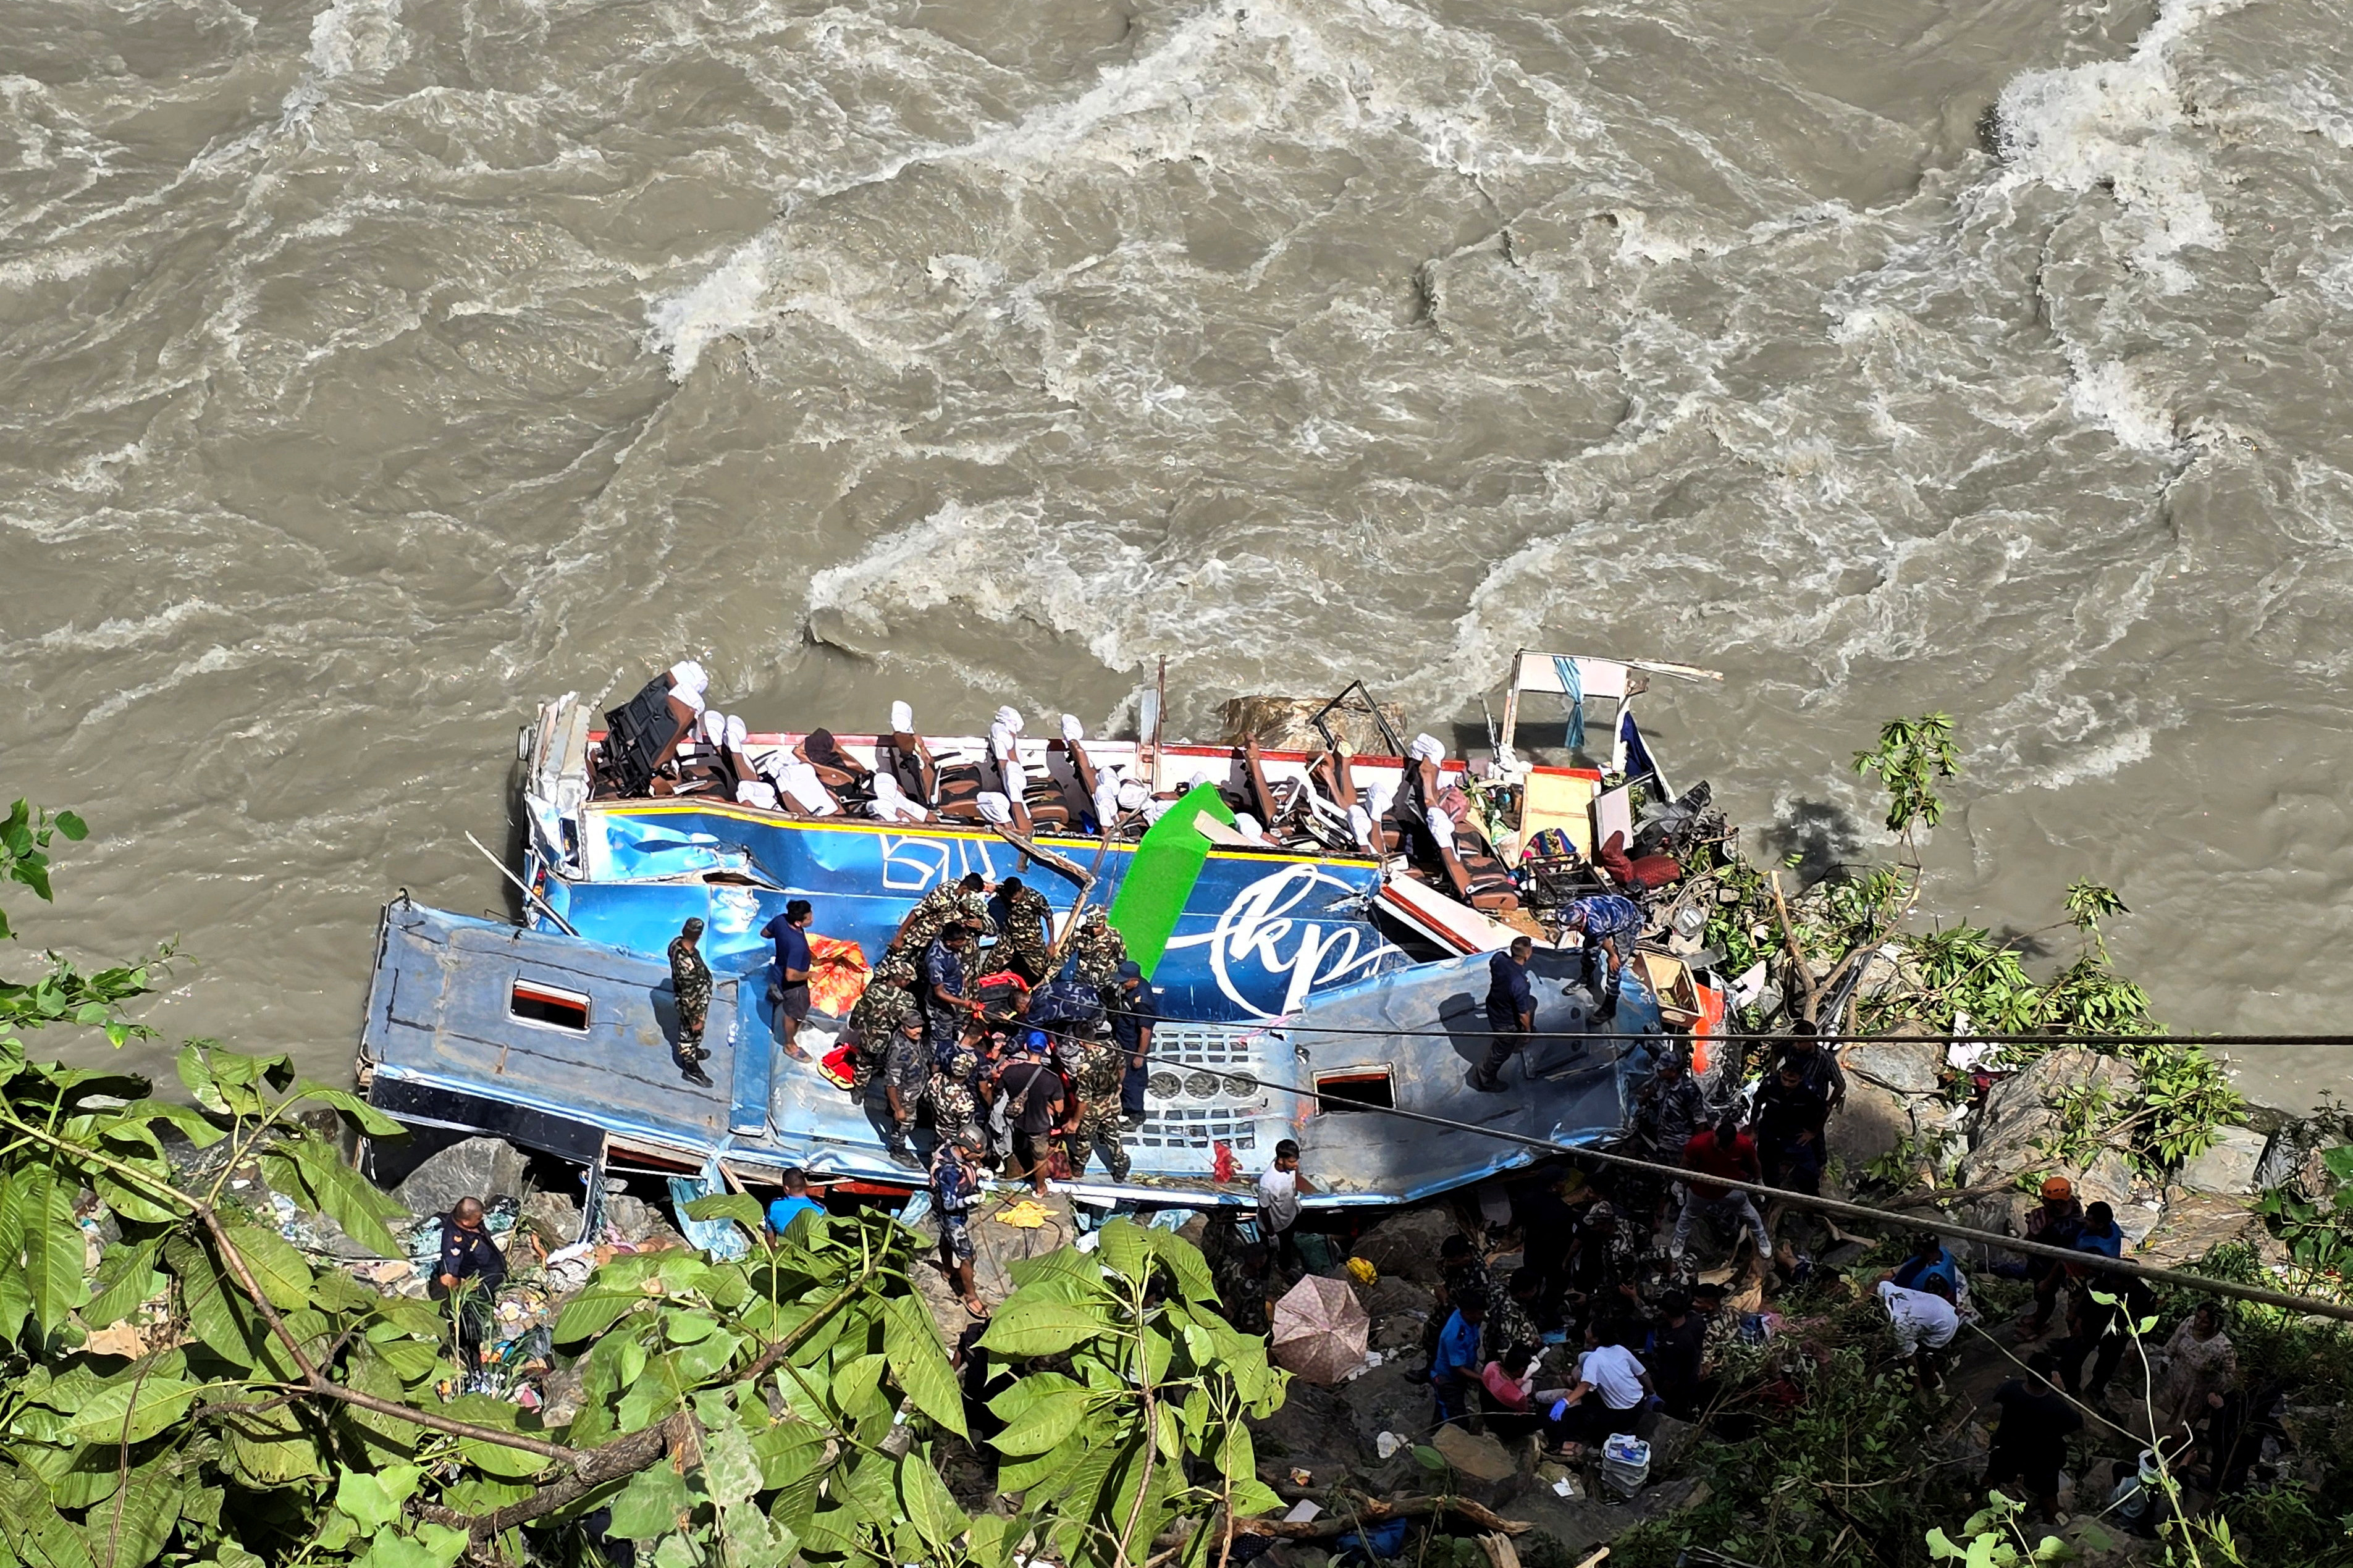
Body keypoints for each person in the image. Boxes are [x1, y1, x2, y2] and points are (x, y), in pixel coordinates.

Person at [2055, 1223, 2154, 1406]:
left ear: (2129, 1283)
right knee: (2072, 1359)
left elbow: (2147, 1322)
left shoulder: (2144, 1297)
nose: (2114, 1282)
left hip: (2118, 1335)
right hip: (2092, 1325)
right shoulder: (2106, 1281)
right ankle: (2071, 1388)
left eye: (2118, 1281)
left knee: (2106, 1366)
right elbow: (2089, 1298)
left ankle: (2096, 1389)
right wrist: (2077, 1318)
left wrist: (2137, 1346)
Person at [1984, 1351, 2082, 1522]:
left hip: (2009, 1450)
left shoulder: (2012, 1389)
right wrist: (2061, 1392)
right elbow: (2077, 1421)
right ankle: (2050, 1527)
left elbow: (1997, 1396)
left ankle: (1979, 1501)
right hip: (2043, 1458)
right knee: (2048, 1495)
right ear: (2051, 1378)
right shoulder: (2056, 1406)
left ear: (2027, 1372)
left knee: (1993, 1474)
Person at [1672, 1113, 1772, 1272]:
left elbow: (1755, 1164)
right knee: (1688, 1216)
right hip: (1701, 1189)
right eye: (1719, 1144)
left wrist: (1759, 1182)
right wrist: (1679, 1182)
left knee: (1749, 1214)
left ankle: (1762, 1237)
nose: (1720, 1148)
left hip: (1731, 1188)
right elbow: (1685, 1163)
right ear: (1715, 1135)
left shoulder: (1744, 1145)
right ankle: (1679, 1240)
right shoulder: (1698, 1143)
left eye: (1725, 1146)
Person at [1544, 1322, 1654, 1456]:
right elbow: (1643, 1374)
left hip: (1622, 1415)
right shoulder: (1620, 1350)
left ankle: (1597, 1447)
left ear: (1595, 1339)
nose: (1585, 1331)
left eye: (1588, 1331)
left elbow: (1585, 1385)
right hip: (1640, 1402)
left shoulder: (1594, 1359)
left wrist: (1565, 1402)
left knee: (1575, 1415)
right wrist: (1652, 1393)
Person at [432, 1196, 507, 1378]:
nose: (482, 1220)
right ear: (466, 1221)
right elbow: (448, 1278)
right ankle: (475, 1365)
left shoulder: (468, 1223)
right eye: (479, 1218)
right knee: (472, 1326)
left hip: (489, 1275)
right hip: (476, 1284)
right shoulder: (454, 1242)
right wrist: (464, 1286)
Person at [995, 1033, 1066, 1197]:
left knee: (1016, 1150)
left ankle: (1013, 1175)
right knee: (1040, 1158)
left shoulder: (1010, 1071)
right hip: (1039, 1125)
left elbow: (998, 1090)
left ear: (1025, 1047)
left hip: (1015, 1121)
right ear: (1045, 1050)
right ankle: (1040, 1188)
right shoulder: (1052, 1079)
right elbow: (1060, 1108)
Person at [2155, 1303, 2237, 1440]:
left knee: (2186, 1421)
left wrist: (2218, 1392)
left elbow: (2231, 1373)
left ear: (2214, 1324)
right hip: (2178, 1377)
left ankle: (2176, 1447)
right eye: (2198, 1317)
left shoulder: (2223, 1346)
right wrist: (2166, 1359)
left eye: (2205, 1321)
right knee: (2168, 1410)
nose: (2198, 1322)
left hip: (2198, 1391)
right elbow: (2175, 1341)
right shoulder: (2188, 1324)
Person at [1062, 1031, 1134, 1182]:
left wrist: (1075, 1122)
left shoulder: (1085, 1065)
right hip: (1111, 1104)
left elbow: (1084, 1100)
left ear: (1081, 1043)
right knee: (1113, 1136)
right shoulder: (1114, 1047)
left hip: (1092, 1111)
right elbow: (1122, 1069)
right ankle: (1121, 1167)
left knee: (1084, 1139)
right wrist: (1116, 1086)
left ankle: (1079, 1168)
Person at [2019, 1176, 2086, 1338]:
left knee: (2045, 1294)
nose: (2043, 1203)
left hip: (2052, 1266)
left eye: (2046, 1201)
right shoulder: (2070, 1205)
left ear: (2058, 1204)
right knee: (2040, 1292)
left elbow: (2063, 1257)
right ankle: (2038, 1316)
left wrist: (2050, 1280)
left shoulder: (2068, 1228)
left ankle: (2038, 1325)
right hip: (2041, 1259)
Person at [930, 1135, 988, 1319]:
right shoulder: (948, 1171)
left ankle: (947, 1270)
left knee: (946, 1238)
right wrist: (969, 1200)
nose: (978, 1157)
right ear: (964, 1149)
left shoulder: (952, 1151)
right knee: (968, 1257)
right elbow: (949, 1204)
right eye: (975, 1154)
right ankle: (970, 1296)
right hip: (951, 1216)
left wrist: (978, 1173)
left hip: (948, 1215)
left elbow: (966, 1168)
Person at [1753, 1058, 1830, 1196]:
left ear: (1800, 1079)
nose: (1787, 1084)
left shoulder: (1809, 1091)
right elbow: (1757, 1103)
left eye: (1792, 1081)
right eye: (1785, 1079)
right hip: (1770, 1131)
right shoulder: (1771, 1084)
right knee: (1767, 1168)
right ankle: (1770, 1196)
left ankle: (1810, 1195)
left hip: (1795, 1135)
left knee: (1810, 1172)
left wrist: (1813, 1132)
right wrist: (1752, 1128)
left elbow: (1824, 1111)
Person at [1562, 894, 1644, 1017]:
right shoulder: (1573, 909)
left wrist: (1612, 955)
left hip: (1628, 921)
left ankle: (1609, 1007)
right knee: (1590, 951)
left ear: (1577, 925)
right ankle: (1586, 978)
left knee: (1615, 966)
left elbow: (1603, 939)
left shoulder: (1595, 925)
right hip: (1611, 914)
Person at [848, 954, 920, 1092]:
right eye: (908, 980)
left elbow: (859, 1011)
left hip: (869, 1036)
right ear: (903, 980)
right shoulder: (908, 1000)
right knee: (892, 1069)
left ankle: (859, 1090)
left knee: (864, 1063)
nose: (909, 983)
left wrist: (854, 1025)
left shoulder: (873, 990)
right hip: (892, 1041)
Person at [1472, 936, 1536, 1092]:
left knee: (1531, 1003)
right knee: (1500, 1052)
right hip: (1505, 1022)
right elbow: (1522, 1015)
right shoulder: (1519, 984)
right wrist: (1526, 1033)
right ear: (1527, 955)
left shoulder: (1498, 959)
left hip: (1494, 1006)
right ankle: (1485, 1079)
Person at [760, 899, 818, 1063]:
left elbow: (765, 933)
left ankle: (794, 1027)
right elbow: (791, 976)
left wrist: (781, 938)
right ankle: (790, 1044)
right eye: (809, 917)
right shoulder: (797, 945)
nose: (812, 918)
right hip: (794, 985)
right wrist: (809, 975)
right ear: (799, 923)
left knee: (793, 1009)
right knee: (793, 1013)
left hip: (778, 970)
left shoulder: (781, 920)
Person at [1877, 1274, 1959, 1388]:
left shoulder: (1900, 1327)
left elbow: (1909, 1362)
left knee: (1924, 1359)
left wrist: (1917, 1390)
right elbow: (1880, 1282)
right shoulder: (1885, 1291)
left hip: (1945, 1325)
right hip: (1938, 1305)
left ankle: (1934, 1383)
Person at [1647, 1288, 1711, 1420]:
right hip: (1694, 1375)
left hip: (1679, 1387)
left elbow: (1671, 1379)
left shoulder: (1674, 1344)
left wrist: (1659, 1395)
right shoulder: (1696, 1320)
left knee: (1672, 1414)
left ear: (1666, 1313)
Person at [667, 917, 715, 1087]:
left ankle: (693, 1051)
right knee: (689, 1034)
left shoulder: (676, 945)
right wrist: (696, 1020)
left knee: (693, 1035)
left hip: (695, 1001)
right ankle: (691, 1069)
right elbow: (689, 997)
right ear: (700, 936)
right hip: (693, 1008)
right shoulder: (688, 967)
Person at [1633, 1050, 1708, 1160]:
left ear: (1673, 1071)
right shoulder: (1663, 1081)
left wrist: (1693, 1149)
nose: (1658, 1071)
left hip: (1680, 1144)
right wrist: (1634, 1107)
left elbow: (1700, 1121)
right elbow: (1650, 1092)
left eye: (1662, 1069)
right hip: (1663, 1139)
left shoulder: (1689, 1090)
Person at [924, 923, 984, 1057]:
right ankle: (938, 1062)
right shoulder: (935, 961)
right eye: (959, 942)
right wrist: (966, 1004)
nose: (963, 944)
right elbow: (939, 992)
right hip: (942, 1004)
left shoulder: (952, 946)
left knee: (957, 1025)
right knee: (941, 1036)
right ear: (949, 942)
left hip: (956, 996)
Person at [1430, 1286, 1486, 1427]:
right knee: (1455, 1419)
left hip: (1460, 1376)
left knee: (1447, 1406)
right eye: (1479, 1314)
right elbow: (1458, 1368)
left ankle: (1436, 1427)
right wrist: (1482, 1379)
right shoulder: (1455, 1334)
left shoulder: (1467, 1320)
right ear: (1468, 1313)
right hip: (1448, 1378)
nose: (1482, 1316)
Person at [1257, 1140, 1314, 1274]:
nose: (1296, 1165)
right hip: (1272, 1227)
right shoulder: (1268, 1183)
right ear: (1281, 1160)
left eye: (1296, 1160)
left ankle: (1286, 1271)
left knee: (1286, 1249)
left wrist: (1295, 1198)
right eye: (1292, 1161)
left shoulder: (1291, 1168)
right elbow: (1264, 1211)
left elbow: (1294, 1182)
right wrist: (1271, 1235)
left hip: (1288, 1220)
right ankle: (1265, 1278)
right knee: (1267, 1255)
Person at [1112, 959, 1156, 1126]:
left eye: (1124, 982)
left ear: (1134, 981)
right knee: (1121, 1077)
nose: (1121, 984)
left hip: (1133, 1046)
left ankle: (1136, 1113)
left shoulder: (1143, 1001)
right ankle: (1124, 1106)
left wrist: (1140, 1056)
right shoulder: (1131, 988)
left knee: (1132, 1081)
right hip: (1122, 1039)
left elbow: (1146, 1031)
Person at [880, 1016, 929, 1167]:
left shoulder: (912, 1039)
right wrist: (899, 1108)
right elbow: (891, 1084)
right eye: (913, 1027)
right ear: (903, 1027)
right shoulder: (899, 1051)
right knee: (905, 1123)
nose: (918, 1030)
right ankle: (898, 1149)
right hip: (905, 1095)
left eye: (920, 1026)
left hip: (914, 1086)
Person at [990, 878, 1056, 984]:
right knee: (990, 967)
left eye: (1015, 898)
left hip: (1030, 940)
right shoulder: (1005, 890)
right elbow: (997, 888)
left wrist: (1052, 942)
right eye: (1010, 898)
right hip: (1009, 938)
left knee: (1041, 972)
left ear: (1021, 890)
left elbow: (1049, 918)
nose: (1012, 901)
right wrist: (992, 888)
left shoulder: (1036, 899)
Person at [765, 1168, 824, 1237]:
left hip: (786, 1246)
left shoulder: (775, 1206)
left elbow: (770, 1236)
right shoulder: (820, 1209)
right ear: (806, 1185)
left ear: (786, 1188)